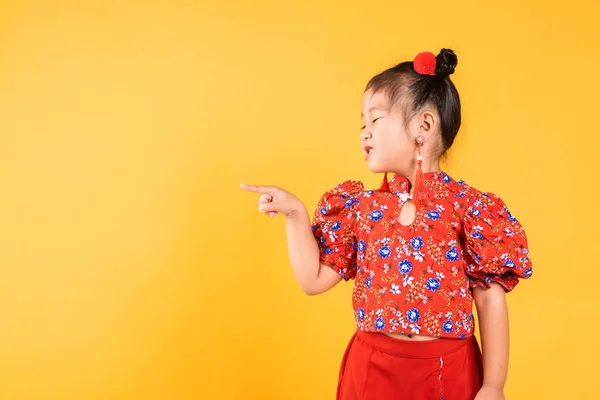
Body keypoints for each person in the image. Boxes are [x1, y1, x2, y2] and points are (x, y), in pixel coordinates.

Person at [241, 48, 533, 400]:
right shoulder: (362, 208)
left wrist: (493, 385)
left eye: (375, 120)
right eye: (362, 123)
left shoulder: (467, 208)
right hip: (372, 372)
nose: (364, 133)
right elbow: (313, 280)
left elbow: (490, 300)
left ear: (424, 125)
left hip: (447, 372)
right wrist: (295, 215)